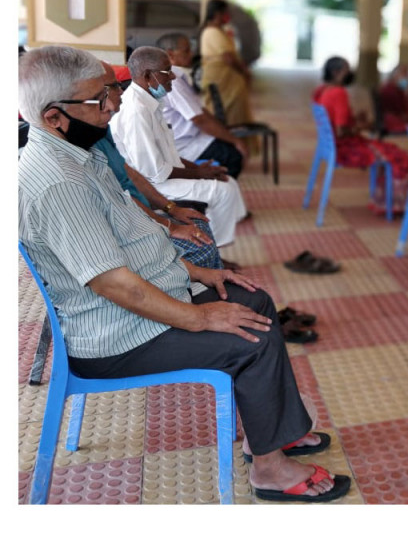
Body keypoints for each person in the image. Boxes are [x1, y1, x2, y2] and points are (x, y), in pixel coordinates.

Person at [18, 45, 349, 502]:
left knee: (254, 301)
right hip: (117, 336)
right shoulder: (58, 182)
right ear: (54, 117)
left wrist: (194, 271)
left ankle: (267, 435)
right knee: (249, 338)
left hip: (145, 302)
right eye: (100, 99)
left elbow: (128, 240)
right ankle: (270, 470)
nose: (114, 104)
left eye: (111, 91)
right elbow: (112, 282)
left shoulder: (80, 153)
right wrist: (200, 317)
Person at [110, 47, 248, 247]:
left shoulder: (151, 102)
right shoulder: (136, 112)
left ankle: (214, 246)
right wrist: (198, 173)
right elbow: (155, 172)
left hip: (162, 176)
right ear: (148, 76)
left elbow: (169, 154)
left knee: (229, 183)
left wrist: (197, 169)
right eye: (167, 71)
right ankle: (214, 249)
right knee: (223, 191)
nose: (173, 76)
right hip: (152, 186)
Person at [96, 62, 224, 269]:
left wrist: (172, 209)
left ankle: (213, 277)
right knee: (201, 246)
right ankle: (202, 281)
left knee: (199, 226)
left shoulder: (101, 131)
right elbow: (119, 197)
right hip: (122, 234)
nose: (121, 91)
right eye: (114, 87)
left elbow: (129, 174)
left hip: (143, 211)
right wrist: (169, 226)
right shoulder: (133, 112)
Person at [313, 56, 408, 209]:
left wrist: (355, 120)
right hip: (345, 149)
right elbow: (341, 132)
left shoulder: (321, 91)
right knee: (398, 155)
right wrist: (363, 126)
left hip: (328, 146)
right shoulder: (338, 93)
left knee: (390, 149)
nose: (350, 73)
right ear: (335, 72)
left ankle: (386, 199)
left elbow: (335, 121)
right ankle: (392, 204)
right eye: (346, 70)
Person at [156, 33, 247, 178]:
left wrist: (226, 133)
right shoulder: (171, 80)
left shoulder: (176, 76)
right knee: (232, 155)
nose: (191, 54)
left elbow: (202, 112)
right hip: (184, 145)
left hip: (192, 137)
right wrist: (235, 140)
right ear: (170, 54)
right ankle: (217, 190)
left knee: (227, 144)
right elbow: (199, 119)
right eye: (186, 51)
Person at [199, 0, 254, 127]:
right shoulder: (213, 32)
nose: (228, 16)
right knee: (229, 113)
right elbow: (229, 58)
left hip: (226, 79)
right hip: (223, 80)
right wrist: (244, 72)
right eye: (226, 12)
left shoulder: (218, 31)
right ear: (218, 13)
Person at [378, 63, 408, 134]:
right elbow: (404, 115)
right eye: (405, 74)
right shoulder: (389, 90)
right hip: (394, 125)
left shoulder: (398, 90)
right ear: (396, 75)